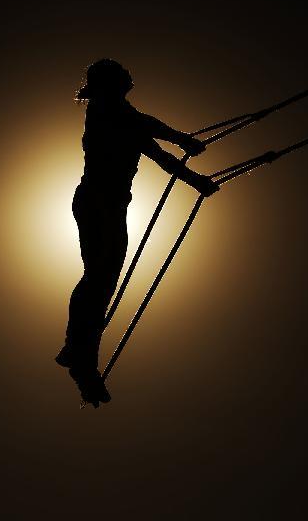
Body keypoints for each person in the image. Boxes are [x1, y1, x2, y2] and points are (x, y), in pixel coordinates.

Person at [56, 59, 220, 406]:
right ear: (112, 85)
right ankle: (77, 352)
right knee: (99, 276)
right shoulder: (106, 112)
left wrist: (196, 178)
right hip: (97, 202)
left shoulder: (122, 117)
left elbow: (158, 154)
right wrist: (183, 141)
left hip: (108, 205)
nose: (128, 83)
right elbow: (148, 133)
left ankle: (82, 358)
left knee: (102, 280)